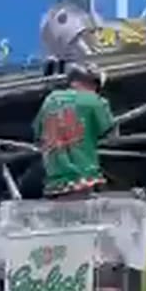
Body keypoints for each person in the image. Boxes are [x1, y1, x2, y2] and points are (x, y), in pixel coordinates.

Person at [34, 61, 115, 198]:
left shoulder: (50, 100)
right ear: (94, 84)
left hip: (54, 182)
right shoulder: (95, 100)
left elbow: (37, 133)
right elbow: (111, 135)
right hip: (83, 178)